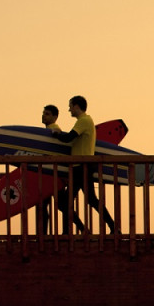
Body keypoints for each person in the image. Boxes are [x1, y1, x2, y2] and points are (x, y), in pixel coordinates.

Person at [51, 96, 115, 234]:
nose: (69, 109)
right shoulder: (86, 120)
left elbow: (68, 138)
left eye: (70, 106)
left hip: (81, 166)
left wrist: (57, 134)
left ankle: (76, 231)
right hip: (83, 165)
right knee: (91, 199)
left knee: (65, 202)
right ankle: (113, 227)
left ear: (76, 106)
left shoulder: (84, 121)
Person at [35, 105, 76, 235]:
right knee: (58, 205)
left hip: (53, 175)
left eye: (47, 114)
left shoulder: (53, 130)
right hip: (51, 174)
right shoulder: (48, 131)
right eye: (43, 113)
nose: (43, 115)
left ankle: (44, 234)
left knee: (46, 206)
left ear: (55, 117)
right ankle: (64, 232)